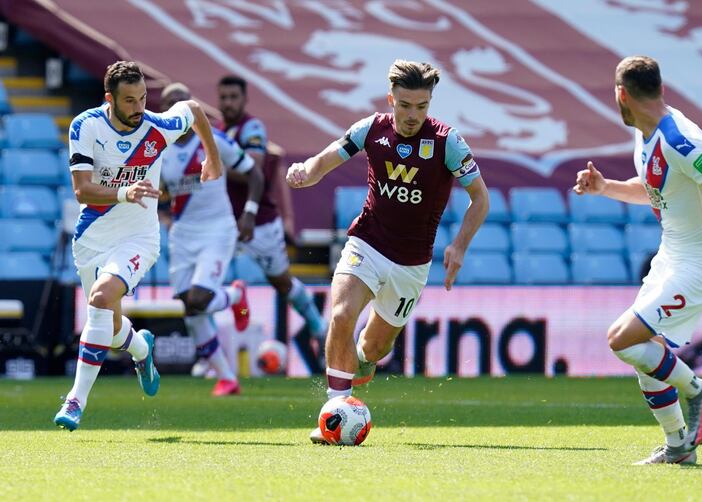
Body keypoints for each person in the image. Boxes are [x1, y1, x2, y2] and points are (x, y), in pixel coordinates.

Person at [573, 56, 702, 464]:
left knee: (621, 339)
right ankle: (679, 446)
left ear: (620, 95)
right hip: (673, 254)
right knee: (647, 351)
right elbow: (656, 190)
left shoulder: (679, 139)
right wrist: (606, 187)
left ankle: (699, 390)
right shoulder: (648, 134)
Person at [286, 60, 489, 443]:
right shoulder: (371, 129)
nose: (413, 115)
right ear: (390, 99)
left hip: (412, 263)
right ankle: (334, 410)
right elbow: (324, 160)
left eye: (422, 106)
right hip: (368, 242)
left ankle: (358, 369)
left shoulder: (447, 141)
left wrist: (459, 246)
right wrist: (305, 172)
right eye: (405, 105)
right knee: (342, 315)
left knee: (374, 348)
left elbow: (480, 199)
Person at [55, 61, 222, 430]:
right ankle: (142, 350)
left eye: (143, 98)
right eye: (129, 100)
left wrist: (212, 155)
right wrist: (125, 192)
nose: (139, 107)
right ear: (108, 99)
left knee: (100, 299)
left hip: (139, 239)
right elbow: (82, 189)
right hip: (92, 238)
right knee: (111, 329)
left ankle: (75, 402)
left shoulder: (157, 127)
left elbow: (193, 110)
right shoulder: (85, 126)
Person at [159, 83, 264, 396]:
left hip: (217, 230)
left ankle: (234, 296)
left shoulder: (215, 141)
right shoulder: (161, 151)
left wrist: (249, 212)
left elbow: (255, 174)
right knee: (190, 310)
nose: (178, 110)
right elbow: (163, 192)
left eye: (183, 103)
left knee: (200, 300)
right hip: (183, 233)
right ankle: (227, 378)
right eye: (171, 105)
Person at [217, 75, 327, 349]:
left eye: (234, 97)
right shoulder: (219, 130)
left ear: (244, 99)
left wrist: (211, 167)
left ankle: (318, 325)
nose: (228, 103)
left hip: (259, 222)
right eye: (224, 97)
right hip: (224, 222)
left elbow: (252, 170)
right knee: (211, 283)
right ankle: (212, 355)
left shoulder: (252, 128)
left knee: (281, 282)